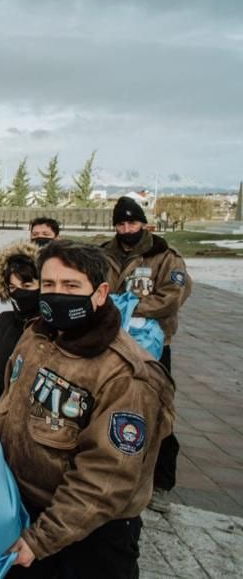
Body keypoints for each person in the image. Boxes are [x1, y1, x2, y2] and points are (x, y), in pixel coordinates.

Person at [0, 240, 175, 578]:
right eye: (49, 285)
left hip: (87, 539)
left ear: (100, 293)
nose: (56, 294)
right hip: (25, 515)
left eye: (71, 285)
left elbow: (104, 481)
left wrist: (39, 541)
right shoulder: (36, 339)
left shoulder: (126, 374)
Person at [102, 195, 191, 513]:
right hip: (112, 343)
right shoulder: (103, 254)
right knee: (115, 408)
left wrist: (127, 306)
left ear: (143, 224)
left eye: (133, 223)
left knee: (156, 410)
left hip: (152, 347)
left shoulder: (165, 256)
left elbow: (172, 296)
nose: (127, 229)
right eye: (121, 224)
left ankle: (162, 481)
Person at [0, 241, 40, 415]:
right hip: (2, 418)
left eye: (27, 286)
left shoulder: (55, 327)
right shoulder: (3, 323)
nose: (19, 293)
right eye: (12, 287)